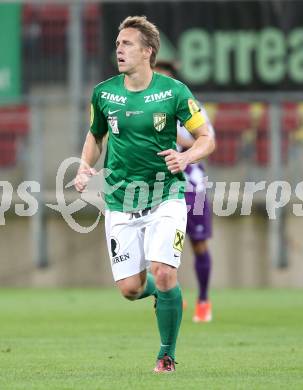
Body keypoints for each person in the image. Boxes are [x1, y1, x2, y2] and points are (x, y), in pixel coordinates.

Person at [75, 16, 215, 373]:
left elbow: (206, 138)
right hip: (121, 199)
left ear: (148, 51)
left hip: (166, 195)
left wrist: (185, 156)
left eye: (127, 44)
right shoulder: (104, 93)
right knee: (130, 289)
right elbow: (95, 136)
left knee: (165, 272)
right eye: (118, 43)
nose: (118, 49)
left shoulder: (174, 92)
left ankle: (166, 354)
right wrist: (83, 166)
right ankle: (165, 293)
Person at [154, 61, 214, 323]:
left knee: (199, 244)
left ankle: (203, 300)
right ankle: (170, 295)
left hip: (191, 187)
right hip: (159, 187)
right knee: (158, 250)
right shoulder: (144, 107)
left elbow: (207, 138)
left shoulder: (189, 105)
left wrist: (177, 139)